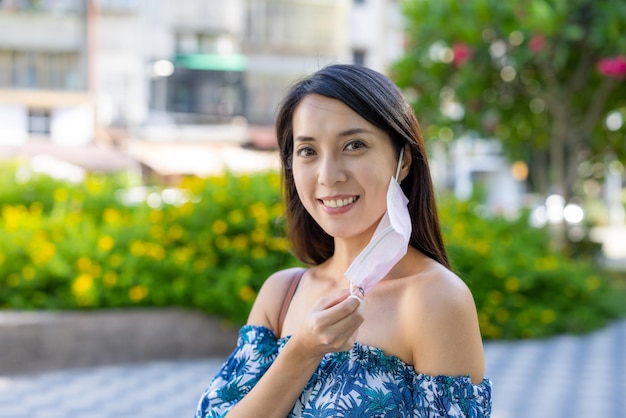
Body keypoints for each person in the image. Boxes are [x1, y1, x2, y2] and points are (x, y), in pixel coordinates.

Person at [195, 64, 492, 417]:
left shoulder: (435, 300)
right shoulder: (281, 295)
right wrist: (303, 349)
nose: (329, 175)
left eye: (354, 145)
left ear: (403, 161)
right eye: (308, 151)